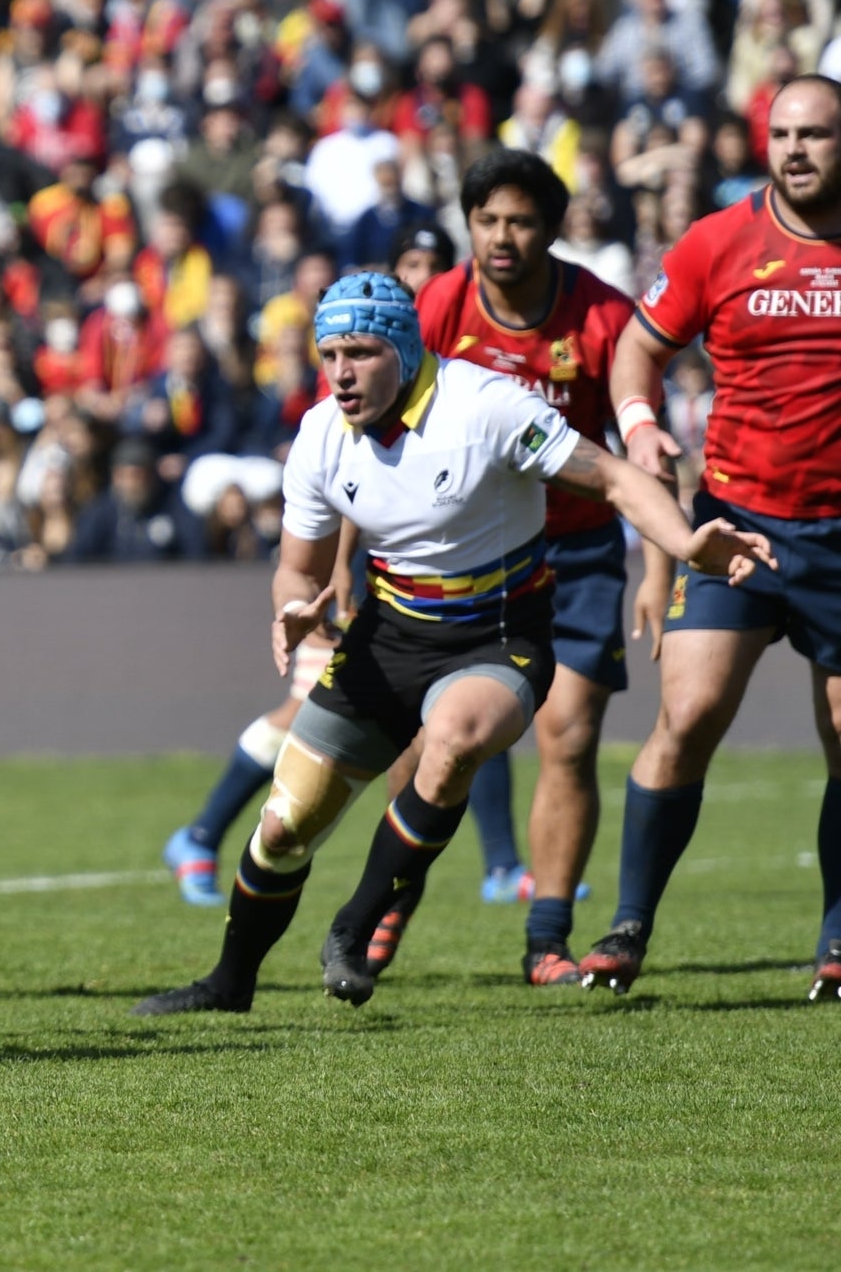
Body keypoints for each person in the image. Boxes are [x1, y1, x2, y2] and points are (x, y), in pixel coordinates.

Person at [133, 273, 767, 1017]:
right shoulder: (319, 434)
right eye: (329, 352)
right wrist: (292, 608)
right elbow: (297, 568)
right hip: (389, 632)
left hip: (498, 631)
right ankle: (229, 983)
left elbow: (617, 479)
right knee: (284, 825)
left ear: (404, 347)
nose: (340, 372)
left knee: (457, 735)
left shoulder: (487, 404)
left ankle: (355, 922)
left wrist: (687, 541)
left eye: (361, 352)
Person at [581, 75, 841, 998]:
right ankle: (627, 926)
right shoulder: (718, 242)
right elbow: (637, 350)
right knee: (685, 717)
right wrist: (642, 421)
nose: (797, 149)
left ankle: (838, 941)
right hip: (737, 522)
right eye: (783, 133)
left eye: (816, 134)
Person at [396, 150, 663, 982]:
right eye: (486, 220)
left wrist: (658, 568)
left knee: (570, 736)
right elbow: (390, 436)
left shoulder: (603, 316)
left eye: (519, 221)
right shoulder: (439, 305)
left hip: (579, 556)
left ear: (551, 229)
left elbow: (641, 446)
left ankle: (545, 938)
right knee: (432, 738)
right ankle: (385, 905)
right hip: (470, 556)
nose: (500, 237)